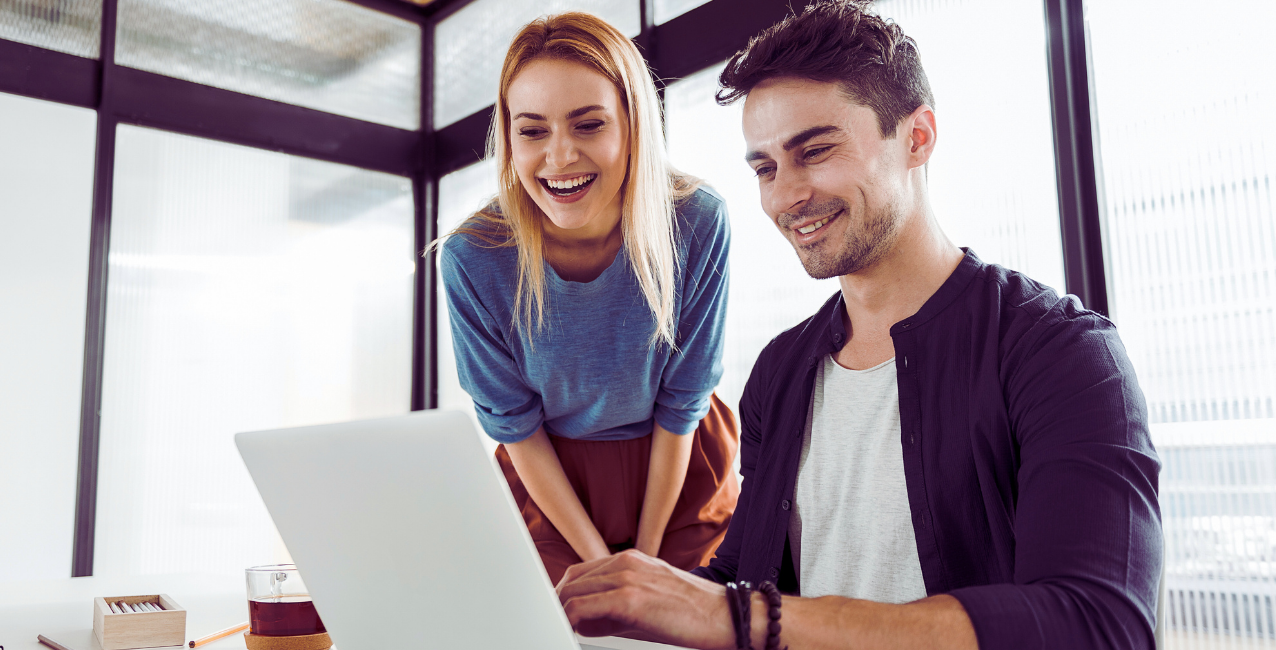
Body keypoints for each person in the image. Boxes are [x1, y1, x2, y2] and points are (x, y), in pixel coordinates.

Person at [555, 2, 1163, 648]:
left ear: (917, 137)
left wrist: (729, 615)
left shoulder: (1060, 353)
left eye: (814, 150)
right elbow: (743, 578)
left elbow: (1100, 626)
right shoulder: (781, 371)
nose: (785, 196)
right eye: (765, 168)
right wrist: (633, 609)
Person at [438, 12, 739, 586]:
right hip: (551, 481)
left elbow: (683, 402)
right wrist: (602, 562)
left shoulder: (698, 221)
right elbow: (515, 425)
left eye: (588, 125)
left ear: (633, 126)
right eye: (531, 131)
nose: (559, 157)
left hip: (678, 466)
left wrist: (646, 562)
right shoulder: (473, 257)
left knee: (684, 623)